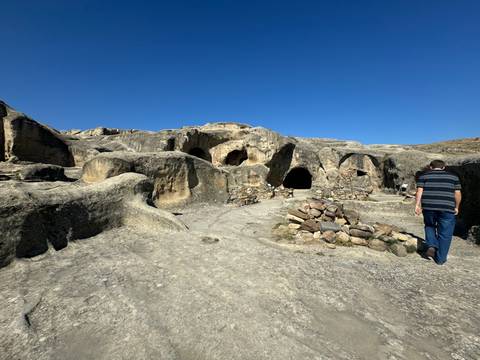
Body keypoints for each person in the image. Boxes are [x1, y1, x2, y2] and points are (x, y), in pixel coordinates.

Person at [415, 160, 462, 265]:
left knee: (429, 225)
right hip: (447, 207)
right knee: (445, 233)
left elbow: (419, 191)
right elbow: (457, 193)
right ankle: (440, 259)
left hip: (429, 206)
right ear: (444, 167)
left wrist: (417, 205)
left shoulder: (423, 176)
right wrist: (457, 207)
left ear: (431, 167)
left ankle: (431, 244)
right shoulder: (453, 177)